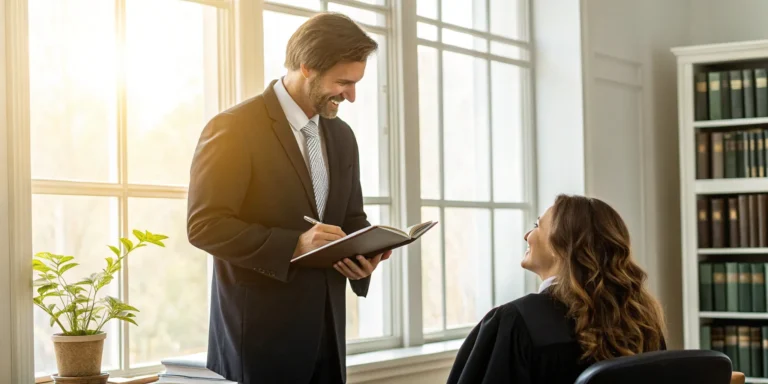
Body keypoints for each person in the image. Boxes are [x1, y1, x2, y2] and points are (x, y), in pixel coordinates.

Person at [186, 12, 391, 384]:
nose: (352, 96)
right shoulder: (233, 128)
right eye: (343, 82)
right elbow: (205, 226)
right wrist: (294, 245)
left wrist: (365, 256)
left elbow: (351, 219)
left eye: (356, 83)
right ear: (307, 67)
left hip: (329, 338)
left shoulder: (342, 136)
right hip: (262, 343)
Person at [447, 194, 667, 383]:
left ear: (559, 246)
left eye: (536, 226)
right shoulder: (641, 322)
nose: (527, 235)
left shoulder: (517, 322)